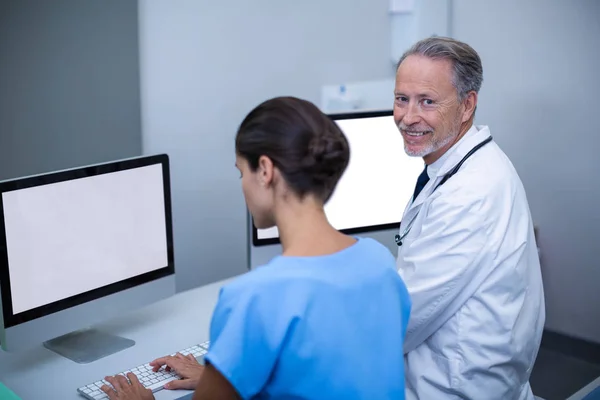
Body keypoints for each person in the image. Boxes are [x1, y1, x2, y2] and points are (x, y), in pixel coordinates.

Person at [99, 96, 412, 400]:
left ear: (265, 170)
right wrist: (222, 375)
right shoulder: (379, 260)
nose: (242, 185)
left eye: (241, 172)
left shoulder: (255, 298)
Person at [393, 35, 546, 399]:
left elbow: (400, 322)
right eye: (402, 99)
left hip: (453, 388)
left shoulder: (471, 193)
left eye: (427, 102)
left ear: (467, 105)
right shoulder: (460, 166)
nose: (407, 117)